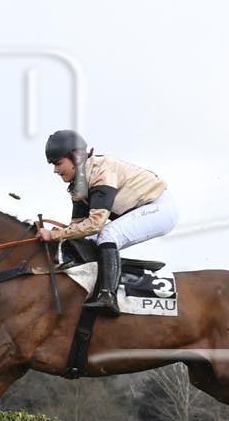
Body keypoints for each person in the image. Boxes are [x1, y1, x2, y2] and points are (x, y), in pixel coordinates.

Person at [37, 130, 177, 315]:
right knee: (85, 242)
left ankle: (108, 296)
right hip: (141, 210)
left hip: (159, 208)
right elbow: (79, 226)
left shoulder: (101, 171)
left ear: (76, 157)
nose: (55, 170)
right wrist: (59, 234)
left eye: (58, 163)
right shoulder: (78, 185)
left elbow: (95, 224)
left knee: (107, 235)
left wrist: (54, 235)